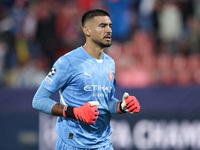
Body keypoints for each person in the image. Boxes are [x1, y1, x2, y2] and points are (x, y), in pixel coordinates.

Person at [32, 9, 141, 150]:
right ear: (87, 30)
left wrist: (121, 106)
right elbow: (39, 100)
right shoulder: (68, 62)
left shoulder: (110, 63)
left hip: (103, 144)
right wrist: (75, 112)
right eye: (102, 26)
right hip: (72, 144)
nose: (108, 30)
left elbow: (104, 101)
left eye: (110, 26)